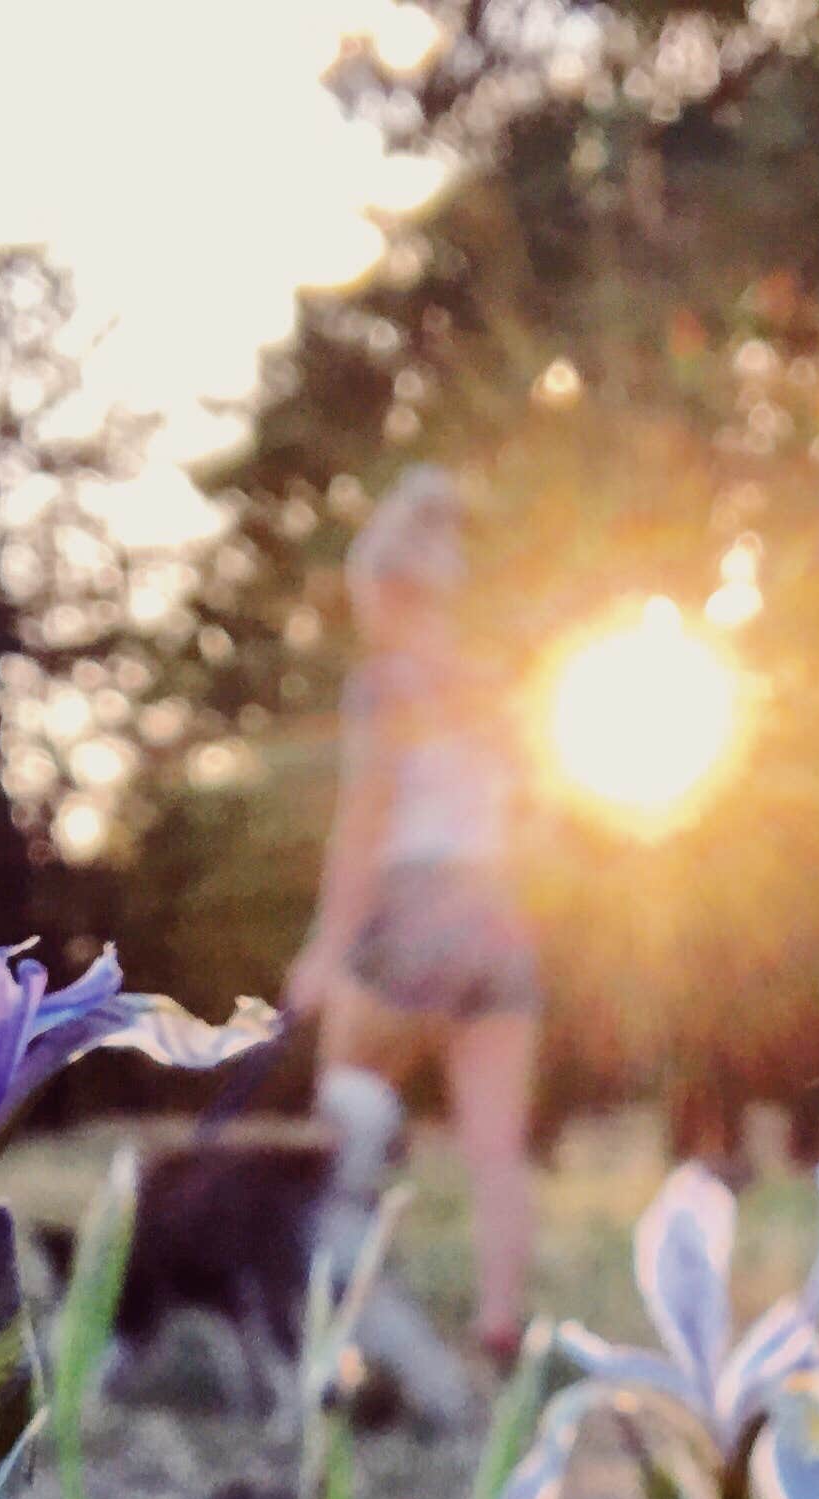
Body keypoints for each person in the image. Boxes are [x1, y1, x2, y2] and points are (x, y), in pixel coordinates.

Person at [286, 466, 541, 1364]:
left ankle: (340, 1311)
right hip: (498, 915)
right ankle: (501, 1323)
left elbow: (363, 825)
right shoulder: (494, 689)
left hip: (415, 905)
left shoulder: (387, 684)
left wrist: (326, 945)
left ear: (389, 592)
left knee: (342, 1118)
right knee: (495, 1148)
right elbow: (533, 816)